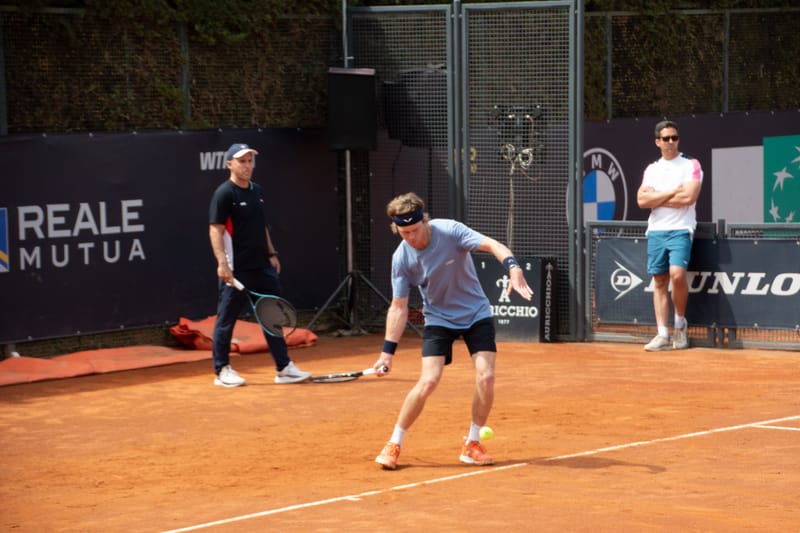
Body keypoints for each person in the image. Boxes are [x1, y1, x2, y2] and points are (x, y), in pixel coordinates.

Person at [372, 192, 534, 470]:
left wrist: (514, 268)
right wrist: (387, 353)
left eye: (414, 230)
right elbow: (398, 308)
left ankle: (472, 443)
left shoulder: (450, 230)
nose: (411, 237)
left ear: (424, 221)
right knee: (429, 381)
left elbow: (494, 245)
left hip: (476, 313)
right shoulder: (401, 258)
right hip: (438, 318)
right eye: (404, 232)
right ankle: (394, 442)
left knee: (487, 377)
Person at [208, 143, 311, 386]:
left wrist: (271, 253)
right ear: (229, 164)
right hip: (237, 271)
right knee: (226, 321)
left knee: (272, 318)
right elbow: (216, 229)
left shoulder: (257, 191)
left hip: (262, 267)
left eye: (249, 161)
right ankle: (222, 370)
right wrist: (222, 264)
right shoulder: (224, 194)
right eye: (241, 161)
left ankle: (284, 368)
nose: (246, 166)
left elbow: (261, 225)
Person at [636, 121, 703, 351]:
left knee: (676, 275)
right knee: (660, 281)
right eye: (666, 139)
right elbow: (642, 201)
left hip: (681, 229)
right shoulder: (651, 169)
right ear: (658, 142)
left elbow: (689, 198)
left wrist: (659, 196)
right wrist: (674, 190)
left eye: (674, 137)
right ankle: (662, 334)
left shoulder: (691, 164)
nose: (671, 142)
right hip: (656, 231)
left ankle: (680, 326)